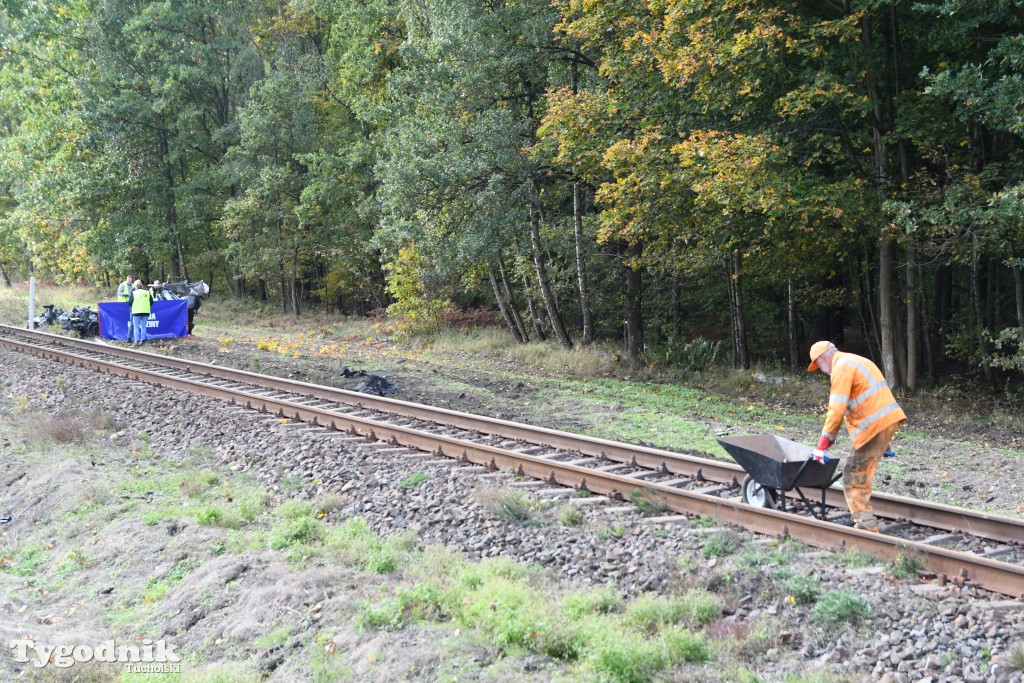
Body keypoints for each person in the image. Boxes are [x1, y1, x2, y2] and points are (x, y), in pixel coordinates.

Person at [808, 341, 906, 532]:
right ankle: (864, 523)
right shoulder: (855, 359)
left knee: (853, 473)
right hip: (886, 421)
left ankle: (866, 527)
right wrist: (884, 445)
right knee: (859, 469)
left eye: (818, 365)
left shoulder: (841, 368)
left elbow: (836, 409)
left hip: (875, 427)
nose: (821, 370)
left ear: (822, 357)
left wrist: (822, 445)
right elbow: (874, 397)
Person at [127, 280, 153, 347]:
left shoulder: (134, 293)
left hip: (136, 312)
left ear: (135, 286)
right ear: (142, 285)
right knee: (143, 327)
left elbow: (129, 303)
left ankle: (136, 341)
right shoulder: (147, 292)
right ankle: (143, 340)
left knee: (136, 327)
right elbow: (151, 302)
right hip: (145, 311)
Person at [117, 276, 135, 342]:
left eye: (131, 280)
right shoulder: (122, 285)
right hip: (123, 303)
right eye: (129, 280)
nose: (130, 281)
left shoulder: (133, 285)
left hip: (131, 303)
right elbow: (118, 292)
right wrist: (125, 294)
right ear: (127, 279)